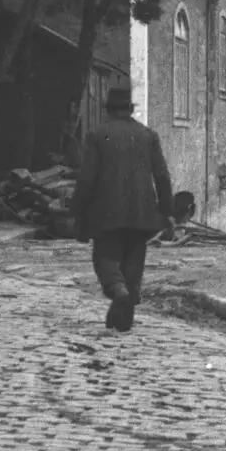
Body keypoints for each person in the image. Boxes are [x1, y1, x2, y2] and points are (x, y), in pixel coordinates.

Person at [71, 87, 172, 332]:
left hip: (106, 210)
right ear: (130, 109)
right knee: (133, 262)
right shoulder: (148, 135)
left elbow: (87, 177)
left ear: (107, 110)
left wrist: (77, 208)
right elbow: (161, 175)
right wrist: (167, 210)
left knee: (105, 257)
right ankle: (123, 320)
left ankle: (117, 287)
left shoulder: (97, 135)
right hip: (142, 211)